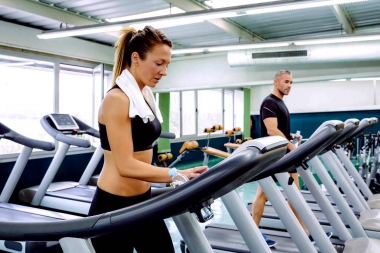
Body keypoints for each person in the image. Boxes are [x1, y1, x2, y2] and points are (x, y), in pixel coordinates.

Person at [88, 26, 208, 253]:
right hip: (113, 207)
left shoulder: (144, 96)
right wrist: (174, 174)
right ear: (136, 58)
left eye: (167, 65)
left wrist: (180, 174)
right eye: (159, 63)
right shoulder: (118, 99)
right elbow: (125, 165)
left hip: (142, 200)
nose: (164, 72)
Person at [251, 70, 332, 247]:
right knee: (262, 194)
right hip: (272, 156)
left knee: (295, 195)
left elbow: (279, 129)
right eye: (286, 82)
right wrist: (291, 146)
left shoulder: (280, 103)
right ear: (276, 82)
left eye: (291, 82)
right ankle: (253, 232)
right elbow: (271, 130)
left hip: (283, 156)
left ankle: (305, 232)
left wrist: (291, 135)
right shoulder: (269, 102)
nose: (289, 86)